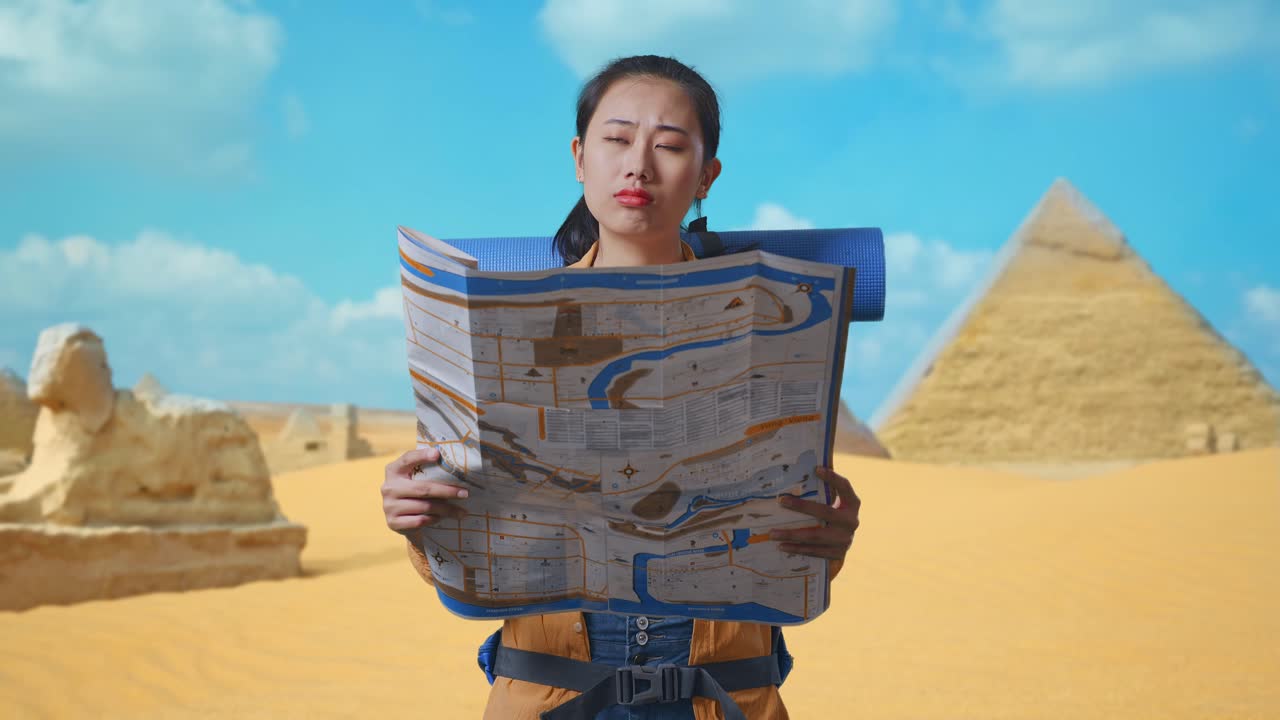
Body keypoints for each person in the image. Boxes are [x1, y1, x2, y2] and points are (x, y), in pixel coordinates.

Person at [381, 55, 862, 720]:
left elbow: (781, 554)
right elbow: (465, 559)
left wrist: (825, 540)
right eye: (616, 139)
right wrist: (417, 517)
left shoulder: (769, 328)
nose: (638, 164)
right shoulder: (499, 329)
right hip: (547, 700)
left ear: (706, 176)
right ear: (580, 158)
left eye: (668, 145)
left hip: (727, 700)